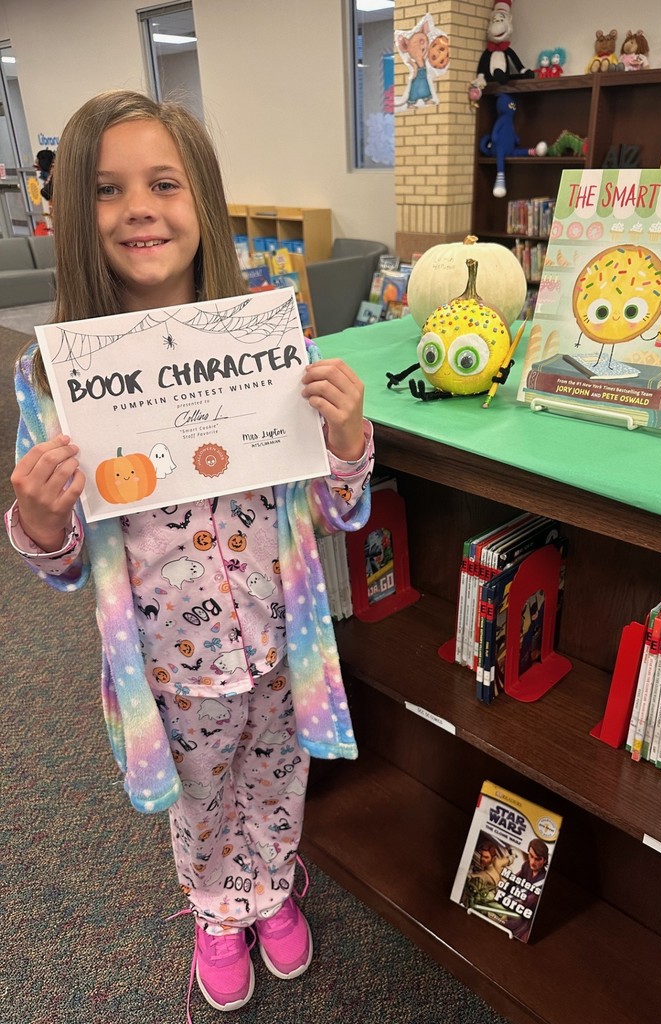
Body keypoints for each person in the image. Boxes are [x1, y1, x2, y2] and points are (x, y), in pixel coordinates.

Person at [6, 90, 374, 1020]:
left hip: (280, 640)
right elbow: (57, 563)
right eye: (107, 189)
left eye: (163, 184)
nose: (139, 207)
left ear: (202, 202)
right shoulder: (51, 379)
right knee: (202, 795)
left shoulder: (270, 340)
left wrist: (346, 437)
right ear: (73, 218)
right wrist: (44, 519)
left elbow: (338, 509)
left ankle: (275, 882)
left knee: (279, 776)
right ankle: (216, 908)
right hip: (171, 662)